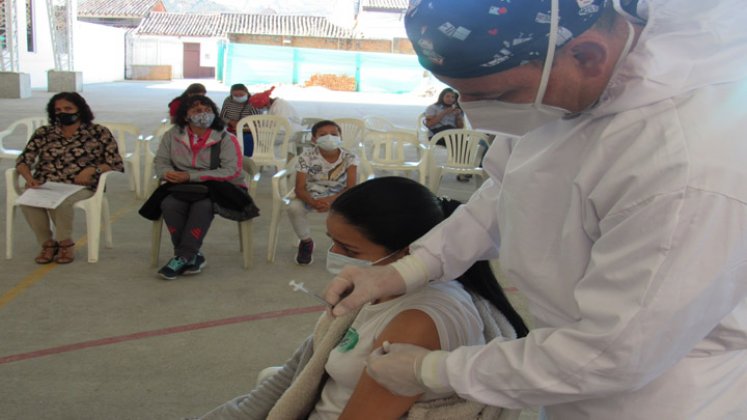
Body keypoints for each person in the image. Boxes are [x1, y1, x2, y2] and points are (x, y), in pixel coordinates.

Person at [323, 1, 747, 418]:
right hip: (566, 370)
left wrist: (432, 369)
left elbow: (613, 353)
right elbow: (506, 191)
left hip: (658, 398)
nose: (473, 113)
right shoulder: (560, 86)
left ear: (587, 56)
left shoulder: (685, 168)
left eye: (498, 95)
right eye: (463, 94)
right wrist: (404, 271)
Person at [196, 176, 529, 420]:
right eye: (333, 241)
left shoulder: (419, 321)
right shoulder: (375, 291)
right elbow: (299, 371)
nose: (336, 255)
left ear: (407, 252)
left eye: (350, 249)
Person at [15, 92, 124, 264]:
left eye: (68, 108)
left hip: (82, 185)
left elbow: (114, 162)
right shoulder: (44, 132)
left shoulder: (98, 132)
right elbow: (23, 160)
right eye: (58, 110)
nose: (62, 113)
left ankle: (65, 243)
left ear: (80, 109)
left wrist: (92, 169)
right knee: (27, 200)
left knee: (63, 202)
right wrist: (29, 178)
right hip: (47, 183)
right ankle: (48, 244)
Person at [148, 95, 247, 280]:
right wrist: (166, 173)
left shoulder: (226, 138)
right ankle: (192, 255)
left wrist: (190, 176)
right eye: (196, 110)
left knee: (203, 206)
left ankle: (182, 256)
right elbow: (161, 161)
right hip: (184, 186)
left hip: (222, 187)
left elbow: (231, 171)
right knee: (169, 204)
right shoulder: (172, 135)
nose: (203, 113)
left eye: (207, 109)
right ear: (186, 116)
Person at [289, 120, 358, 265]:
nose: (329, 137)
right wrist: (313, 202)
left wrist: (330, 201)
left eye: (334, 134)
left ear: (340, 137)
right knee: (294, 208)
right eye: (323, 134)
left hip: (341, 196)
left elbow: (351, 187)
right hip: (310, 196)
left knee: (357, 212)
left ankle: (345, 245)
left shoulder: (349, 157)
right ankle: (306, 241)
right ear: (314, 139)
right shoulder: (306, 157)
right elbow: (300, 188)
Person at [219, 83, 262, 164]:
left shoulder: (252, 102)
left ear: (247, 93)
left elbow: (257, 120)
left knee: (247, 140)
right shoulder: (228, 100)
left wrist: (243, 125)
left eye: (241, 94)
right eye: (235, 95)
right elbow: (222, 117)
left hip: (249, 130)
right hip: (231, 129)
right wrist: (231, 122)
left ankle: (246, 163)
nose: (239, 97)